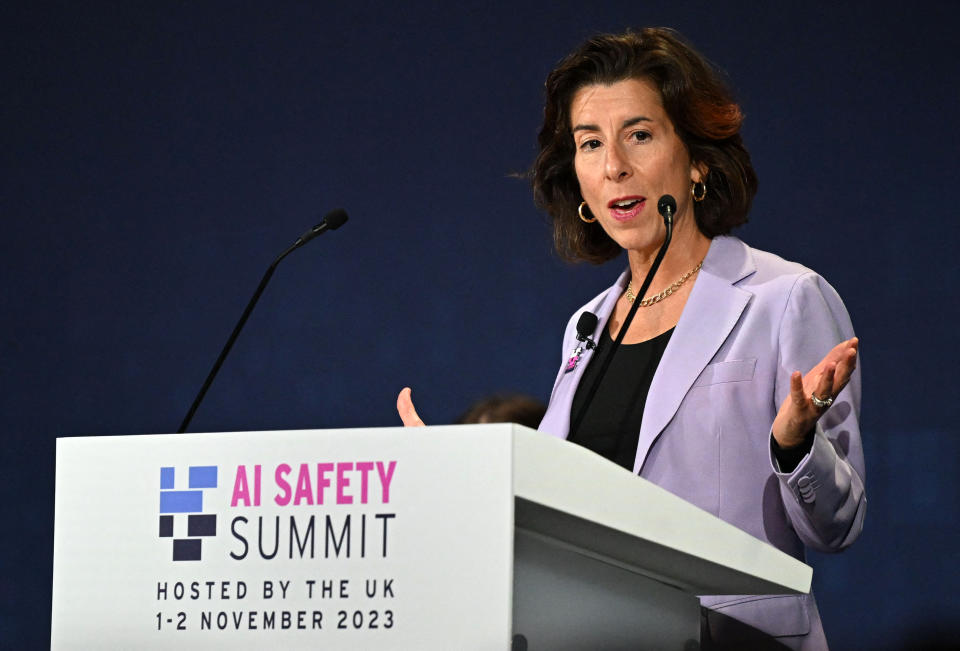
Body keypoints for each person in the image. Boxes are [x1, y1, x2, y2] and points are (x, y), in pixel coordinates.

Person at [399, 27, 864, 650]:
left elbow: (839, 525)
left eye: (639, 135)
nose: (614, 165)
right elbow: (560, 507)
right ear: (580, 183)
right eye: (590, 144)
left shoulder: (783, 299)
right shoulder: (586, 328)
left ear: (697, 159)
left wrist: (794, 446)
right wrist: (465, 480)